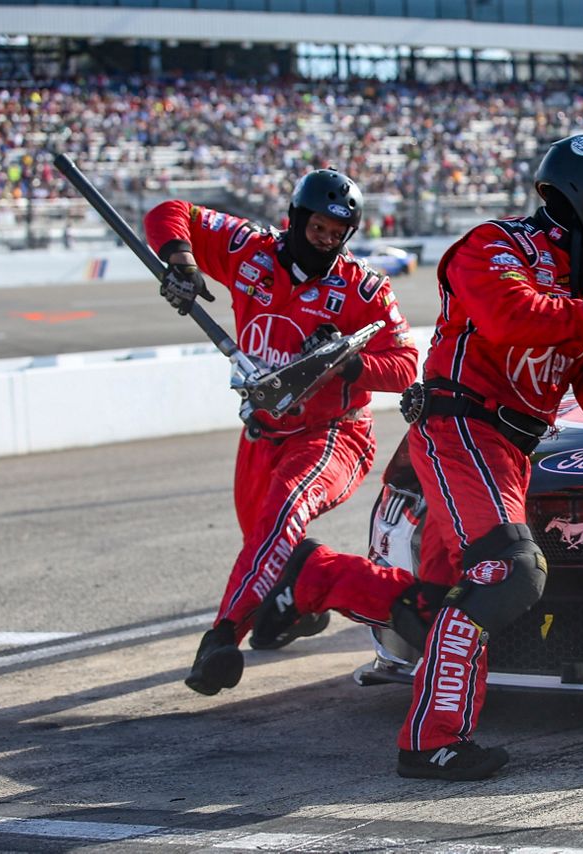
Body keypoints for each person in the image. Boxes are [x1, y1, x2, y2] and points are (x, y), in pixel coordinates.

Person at [249, 133, 583, 781]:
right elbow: (511, 316)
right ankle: (430, 741)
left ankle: (309, 577)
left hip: (514, 447)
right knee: (510, 572)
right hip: (462, 426)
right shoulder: (496, 244)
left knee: (438, 601)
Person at [143, 168, 419, 697]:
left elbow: (406, 365)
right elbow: (168, 211)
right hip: (260, 435)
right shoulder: (250, 251)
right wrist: (180, 260)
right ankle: (390, 601)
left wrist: (344, 361)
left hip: (334, 434)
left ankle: (222, 637)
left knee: (282, 517)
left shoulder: (364, 287)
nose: (327, 239)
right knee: (276, 551)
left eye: (338, 232)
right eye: (318, 227)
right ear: (296, 218)